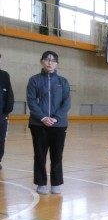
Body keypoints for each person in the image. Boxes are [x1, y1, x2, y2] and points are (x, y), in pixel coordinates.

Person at [27, 50, 72, 194]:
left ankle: (56, 183)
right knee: (40, 155)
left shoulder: (63, 82)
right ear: (42, 61)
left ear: (57, 64)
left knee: (57, 155)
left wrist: (56, 118)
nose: (50, 63)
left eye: (53, 61)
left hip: (58, 125)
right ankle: (41, 183)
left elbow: (66, 103)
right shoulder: (34, 80)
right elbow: (31, 101)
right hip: (38, 124)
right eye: (47, 60)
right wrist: (43, 118)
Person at [0, 52, 15, 170]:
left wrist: (5, 113)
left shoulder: (4, 75)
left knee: (0, 139)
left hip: (1, 116)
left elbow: (9, 95)